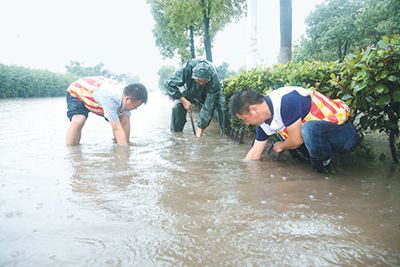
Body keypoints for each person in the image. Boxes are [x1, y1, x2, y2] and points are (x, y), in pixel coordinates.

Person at [229, 87, 361, 172]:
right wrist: (245, 173)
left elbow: (296, 140)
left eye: (245, 119)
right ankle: (320, 168)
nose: (247, 124)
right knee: (295, 142)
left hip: (345, 136)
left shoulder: (286, 100)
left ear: (253, 110)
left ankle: (324, 172)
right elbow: (254, 154)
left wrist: (280, 146)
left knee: (307, 130)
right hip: (323, 141)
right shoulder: (264, 123)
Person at [66, 76, 148, 146]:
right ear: (127, 99)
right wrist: (125, 152)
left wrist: (126, 144)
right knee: (79, 120)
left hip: (98, 97)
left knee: (123, 118)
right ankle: (71, 152)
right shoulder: (110, 99)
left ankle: (118, 145)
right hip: (78, 91)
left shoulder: (127, 96)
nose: (136, 109)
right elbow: (117, 128)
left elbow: (125, 124)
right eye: (135, 106)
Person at [165, 58, 227, 137]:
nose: (201, 83)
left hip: (208, 93)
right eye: (198, 80)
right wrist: (183, 101)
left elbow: (208, 107)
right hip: (190, 90)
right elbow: (169, 84)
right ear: (193, 76)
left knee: (222, 107)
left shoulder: (214, 79)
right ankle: (176, 135)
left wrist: (200, 129)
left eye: (204, 81)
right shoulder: (186, 69)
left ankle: (225, 134)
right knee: (177, 107)